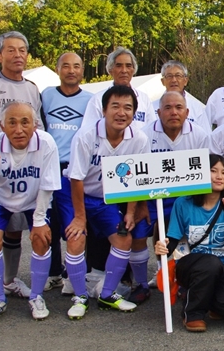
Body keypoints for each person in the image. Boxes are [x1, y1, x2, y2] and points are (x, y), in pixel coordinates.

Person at [62, 86, 150, 319]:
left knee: (124, 239)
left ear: (134, 113)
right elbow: (76, 178)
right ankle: (80, 296)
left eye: (128, 108)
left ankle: (107, 294)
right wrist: (80, 217)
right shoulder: (86, 136)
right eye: (115, 106)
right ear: (103, 110)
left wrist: (130, 212)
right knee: (76, 238)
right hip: (76, 193)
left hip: (106, 198)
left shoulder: (139, 139)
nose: (121, 112)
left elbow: (134, 180)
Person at [130, 91, 209, 303]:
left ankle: (180, 277)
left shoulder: (200, 135)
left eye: (178, 108)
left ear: (187, 112)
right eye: (167, 108)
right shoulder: (145, 135)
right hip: (152, 196)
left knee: (185, 235)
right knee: (139, 233)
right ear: (158, 112)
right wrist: (140, 204)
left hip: (186, 197)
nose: (173, 112)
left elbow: (205, 173)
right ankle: (142, 283)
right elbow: (138, 173)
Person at [154, 154, 224, 332]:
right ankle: (192, 313)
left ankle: (202, 298)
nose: (220, 176)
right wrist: (162, 248)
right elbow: (173, 240)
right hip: (190, 264)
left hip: (223, 266)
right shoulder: (184, 202)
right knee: (210, 263)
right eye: (213, 171)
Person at [0, 102, 61, 321]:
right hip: (1, 200)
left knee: (41, 238)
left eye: (25, 122)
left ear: (35, 124)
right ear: (2, 126)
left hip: (34, 199)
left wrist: (39, 219)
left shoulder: (46, 142)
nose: (19, 129)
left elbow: (49, 183)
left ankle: (37, 296)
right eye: (12, 122)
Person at [0, 31, 46, 300]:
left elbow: (39, 128)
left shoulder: (32, 88)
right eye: (11, 50)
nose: (17, 55)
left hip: (23, 168)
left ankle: (9, 281)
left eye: (22, 50)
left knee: (13, 229)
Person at [41, 52, 93, 293]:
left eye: (76, 66)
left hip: (75, 170)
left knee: (74, 223)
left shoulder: (91, 100)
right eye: (66, 66)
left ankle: (76, 274)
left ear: (83, 70)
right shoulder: (46, 96)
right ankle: (52, 273)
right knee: (45, 222)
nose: (71, 70)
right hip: (48, 166)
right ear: (57, 69)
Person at [81, 47, 154, 129]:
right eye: (119, 66)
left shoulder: (144, 99)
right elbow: (87, 131)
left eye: (128, 66)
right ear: (110, 70)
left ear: (133, 70)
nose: (124, 70)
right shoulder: (97, 99)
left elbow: (152, 131)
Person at [152, 60, 211, 131]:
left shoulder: (197, 108)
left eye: (178, 76)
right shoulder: (152, 107)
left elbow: (206, 137)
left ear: (185, 81)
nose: (174, 80)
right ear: (163, 81)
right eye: (169, 76)